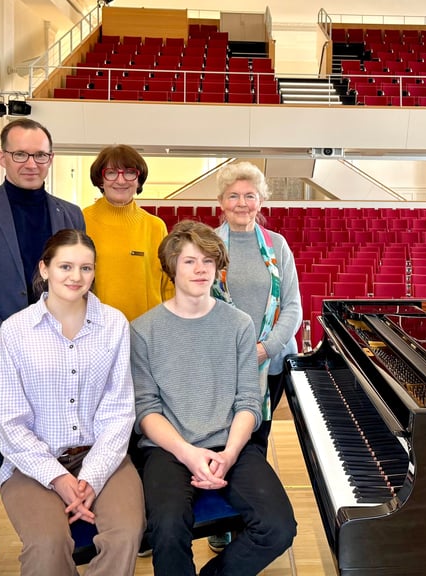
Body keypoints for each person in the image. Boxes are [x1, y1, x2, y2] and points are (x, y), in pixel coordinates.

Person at [0, 118, 85, 576]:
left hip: (58, 366)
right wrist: (13, 348)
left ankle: (63, 549)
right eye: (21, 154)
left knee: (63, 458)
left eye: (40, 155)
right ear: (2, 156)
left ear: (51, 158)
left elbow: (78, 285)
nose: (31, 163)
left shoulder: (70, 213)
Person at [130, 220, 297, 576]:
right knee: (167, 527)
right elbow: (146, 410)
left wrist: (230, 453)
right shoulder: (143, 330)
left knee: (279, 528)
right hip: (169, 449)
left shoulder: (238, 324)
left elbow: (248, 402)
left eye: (208, 261)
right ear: (172, 266)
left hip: (230, 445)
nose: (201, 269)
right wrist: (189, 454)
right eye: (190, 261)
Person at [0, 229, 145, 575]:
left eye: (86, 268)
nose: (76, 277)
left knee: (125, 535)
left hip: (102, 455)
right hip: (33, 463)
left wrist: (91, 476)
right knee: (48, 545)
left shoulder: (114, 324)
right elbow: (9, 422)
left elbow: (119, 410)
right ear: (44, 269)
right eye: (65, 266)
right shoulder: (15, 331)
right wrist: (58, 478)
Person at [213, 161, 302, 448]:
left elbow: (293, 306)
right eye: (234, 196)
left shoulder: (278, 244)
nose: (242, 203)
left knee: (257, 437)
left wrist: (265, 349)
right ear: (221, 202)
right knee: (221, 434)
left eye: (250, 196)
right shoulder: (207, 244)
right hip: (221, 360)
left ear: (260, 201)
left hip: (271, 359)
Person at [83, 144, 173, 321]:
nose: (121, 180)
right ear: (100, 179)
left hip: (146, 330)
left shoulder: (155, 226)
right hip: (96, 329)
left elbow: (168, 285)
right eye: (111, 173)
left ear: (139, 179)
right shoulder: (81, 220)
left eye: (129, 172)